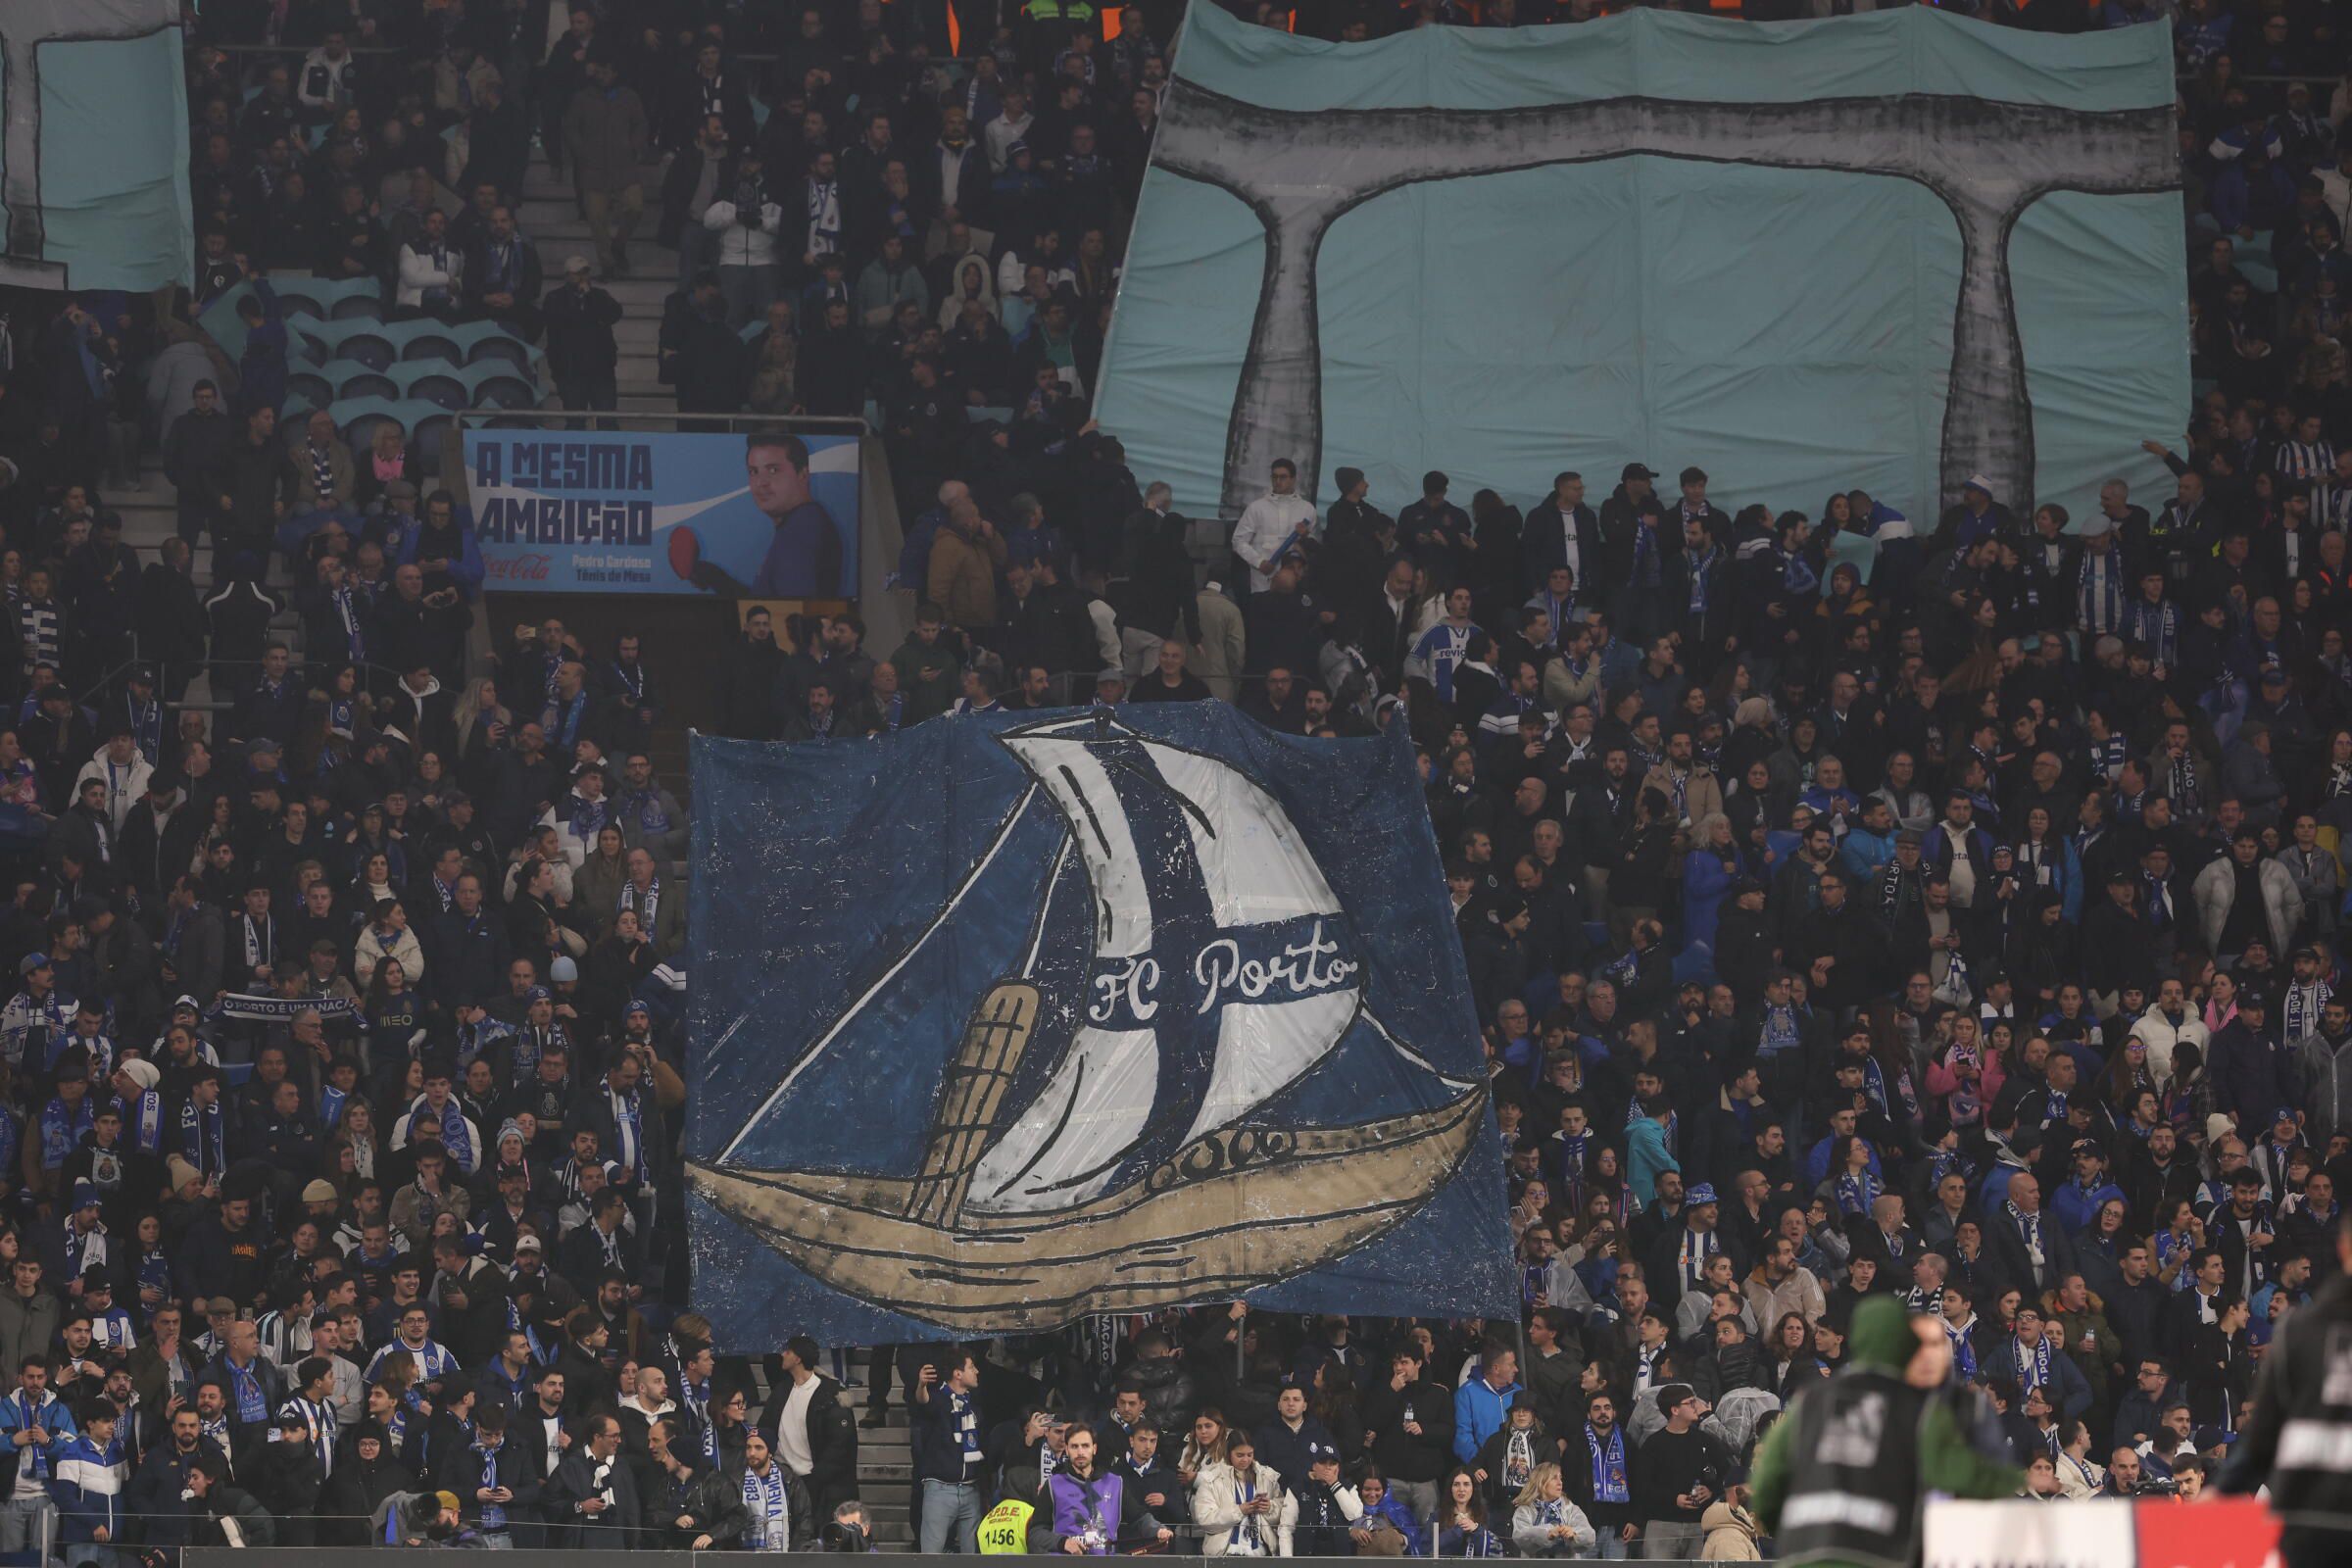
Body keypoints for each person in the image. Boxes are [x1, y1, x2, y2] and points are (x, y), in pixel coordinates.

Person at [1750, 1296, 2023, 1567]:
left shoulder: (1811, 1401)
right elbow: (1966, 1478)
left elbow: (1766, 1490)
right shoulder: (1920, 1409)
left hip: (1805, 1555)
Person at [2220, 1208, 2352, 1566]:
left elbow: (2262, 1438)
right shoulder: (2296, 1330)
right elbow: (2263, 1438)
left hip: (2308, 1522)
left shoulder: (2297, 1330)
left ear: (2341, 1248)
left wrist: (2219, 1494)